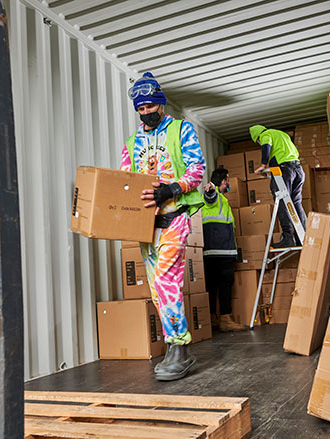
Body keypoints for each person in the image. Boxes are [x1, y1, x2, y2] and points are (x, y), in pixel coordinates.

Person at [120, 72, 205, 381]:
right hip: (147, 227)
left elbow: (197, 169)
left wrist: (172, 189)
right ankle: (174, 346)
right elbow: (125, 181)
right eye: (140, 110)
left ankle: (180, 348)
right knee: (158, 289)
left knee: (167, 281)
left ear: (160, 104)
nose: (146, 114)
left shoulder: (181, 130)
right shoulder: (132, 142)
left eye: (149, 108)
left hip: (175, 218)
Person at [249, 125, 308, 248]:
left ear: (257, 137)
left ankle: (287, 237)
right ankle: (301, 237)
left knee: (281, 201)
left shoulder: (266, 135)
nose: (259, 143)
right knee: (296, 202)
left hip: (284, 171)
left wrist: (263, 165)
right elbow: (284, 154)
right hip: (298, 170)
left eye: (257, 141)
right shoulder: (282, 135)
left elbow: (266, 146)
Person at [202, 168, 246, 332]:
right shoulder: (214, 196)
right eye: (226, 180)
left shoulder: (222, 200)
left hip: (214, 251)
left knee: (212, 285)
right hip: (220, 251)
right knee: (226, 283)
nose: (228, 183)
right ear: (221, 181)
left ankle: (213, 317)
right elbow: (209, 198)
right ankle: (225, 318)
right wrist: (211, 190)